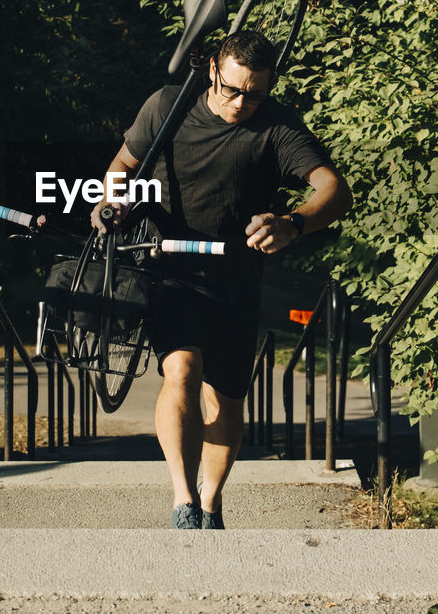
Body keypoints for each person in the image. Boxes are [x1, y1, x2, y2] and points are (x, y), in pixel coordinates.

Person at [91, 29, 352, 530]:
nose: (240, 103)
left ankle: (211, 504)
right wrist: (112, 202)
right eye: (232, 89)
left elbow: (334, 190)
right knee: (182, 370)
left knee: (226, 399)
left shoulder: (277, 125)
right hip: (168, 268)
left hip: (236, 279)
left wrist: (294, 222)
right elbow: (122, 164)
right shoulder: (169, 105)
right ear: (213, 68)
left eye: (255, 94)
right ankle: (183, 500)